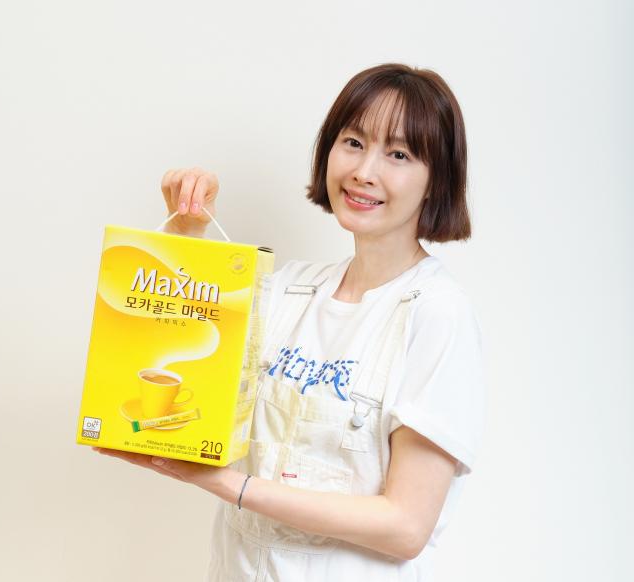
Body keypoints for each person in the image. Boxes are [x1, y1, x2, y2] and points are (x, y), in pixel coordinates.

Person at [94, 62, 487, 581]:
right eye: (353, 142)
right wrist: (188, 229)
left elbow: (405, 525)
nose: (364, 171)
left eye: (398, 154)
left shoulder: (435, 312)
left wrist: (227, 484)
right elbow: (183, 345)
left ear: (437, 180)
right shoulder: (288, 290)